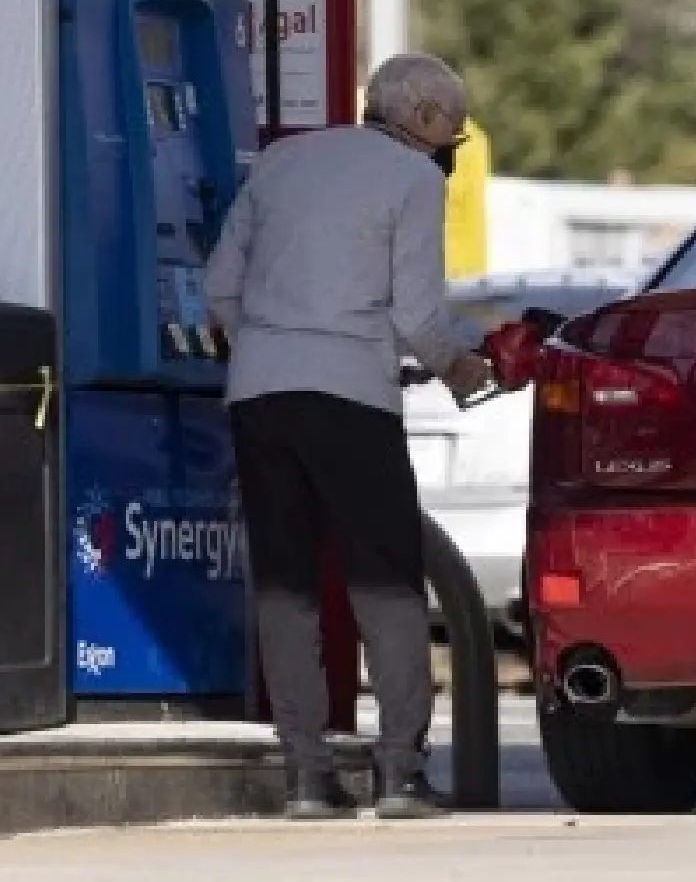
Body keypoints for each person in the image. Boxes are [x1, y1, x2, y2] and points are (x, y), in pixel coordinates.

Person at [204, 53, 493, 821]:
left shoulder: (281, 161)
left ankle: (306, 776)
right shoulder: (414, 180)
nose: (449, 150)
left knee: (285, 582)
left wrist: (269, 343)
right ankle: (400, 773)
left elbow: (218, 287)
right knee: (387, 579)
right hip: (351, 396)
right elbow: (416, 318)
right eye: (451, 135)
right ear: (424, 115)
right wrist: (462, 367)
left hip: (259, 393)